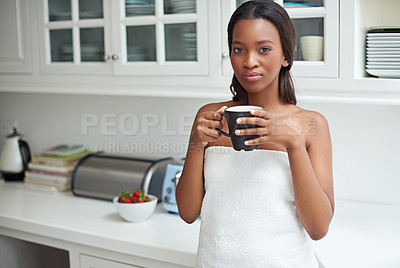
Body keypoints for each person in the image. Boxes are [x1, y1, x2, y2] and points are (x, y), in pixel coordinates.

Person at [176, 1, 334, 267]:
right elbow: (188, 213)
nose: (249, 62)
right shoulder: (211, 117)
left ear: (286, 55)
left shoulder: (311, 124)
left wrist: (292, 144)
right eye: (239, 49)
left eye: (264, 49)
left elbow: (318, 228)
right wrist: (196, 143)